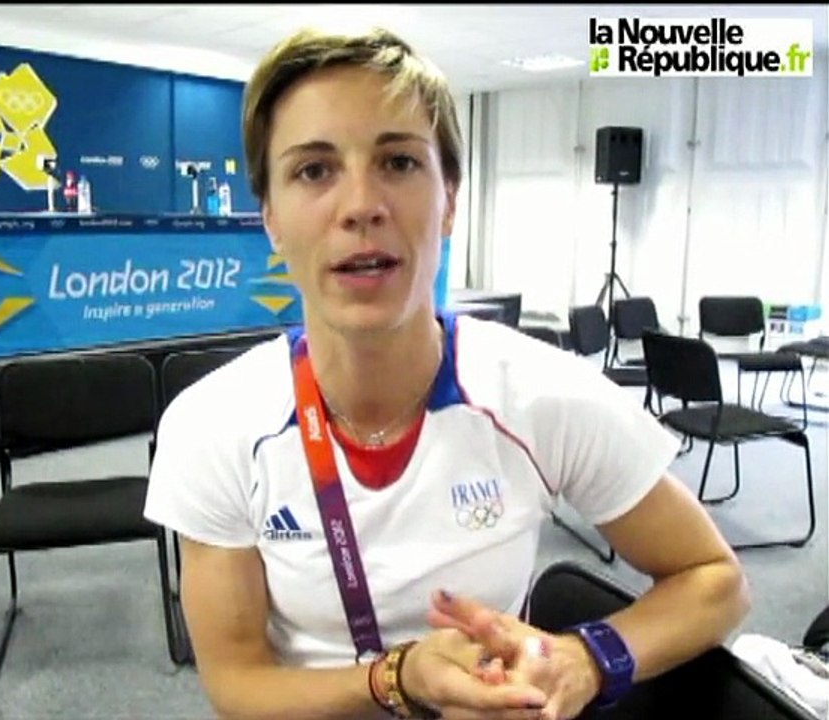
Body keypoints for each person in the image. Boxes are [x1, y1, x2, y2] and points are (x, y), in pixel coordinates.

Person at [144, 25, 750, 720]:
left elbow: (716, 580)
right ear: (271, 219)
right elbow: (237, 683)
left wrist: (585, 662)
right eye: (314, 170)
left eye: (398, 163)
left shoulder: (543, 394)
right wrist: (396, 679)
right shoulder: (214, 426)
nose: (361, 205)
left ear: (451, 199)